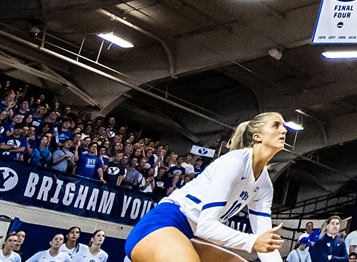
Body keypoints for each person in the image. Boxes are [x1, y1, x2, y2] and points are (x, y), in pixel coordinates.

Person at [122, 111, 287, 262]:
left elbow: (265, 242)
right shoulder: (234, 162)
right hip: (161, 225)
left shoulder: (265, 186)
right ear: (257, 136)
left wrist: (261, 245)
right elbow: (205, 226)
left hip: (186, 236)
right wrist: (252, 241)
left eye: (284, 126)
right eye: (276, 125)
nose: (284, 130)